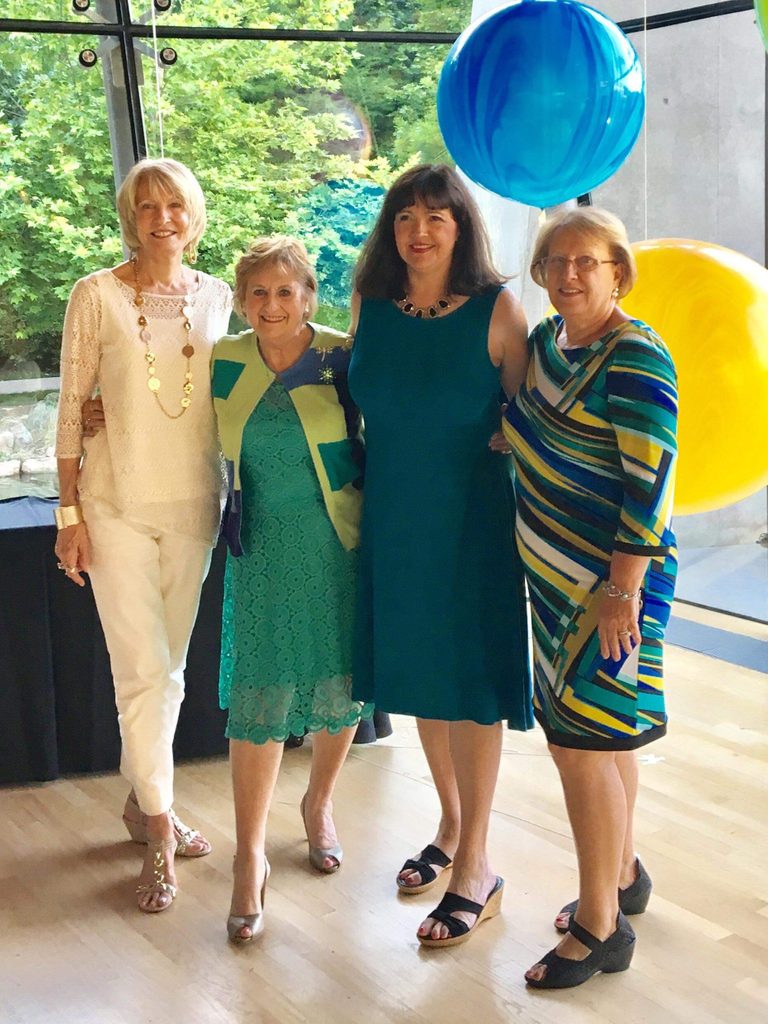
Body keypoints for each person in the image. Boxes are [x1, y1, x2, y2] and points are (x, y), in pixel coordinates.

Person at [348, 164, 533, 948]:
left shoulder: (498, 311)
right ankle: (452, 825)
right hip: (395, 521)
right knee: (423, 676)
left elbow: (531, 422)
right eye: (405, 218)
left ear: (462, 227)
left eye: (437, 217)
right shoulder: (369, 307)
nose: (419, 231)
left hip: (471, 524)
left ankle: (478, 866)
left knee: (472, 686)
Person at [503, 208, 678, 988]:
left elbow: (652, 486)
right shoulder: (546, 345)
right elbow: (528, 424)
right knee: (603, 738)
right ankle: (625, 871)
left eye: (587, 262)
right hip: (556, 582)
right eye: (555, 262)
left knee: (578, 744)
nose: (569, 275)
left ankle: (599, 924)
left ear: (617, 272)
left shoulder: (636, 355)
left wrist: (620, 591)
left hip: (612, 585)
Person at [54, 158, 232, 913]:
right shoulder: (93, 295)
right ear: (130, 216)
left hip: (197, 506)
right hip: (115, 503)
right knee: (141, 673)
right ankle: (160, 828)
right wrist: (68, 517)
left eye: (175, 204)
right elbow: (70, 409)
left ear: (195, 215)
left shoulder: (222, 297)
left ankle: (139, 801)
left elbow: (240, 389)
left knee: (173, 670)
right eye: (147, 205)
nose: (162, 217)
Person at [212, 236, 373, 945]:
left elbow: (396, 423)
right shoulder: (222, 361)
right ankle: (249, 856)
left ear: (309, 296)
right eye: (258, 293)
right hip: (264, 550)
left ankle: (318, 804)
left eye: (286, 292)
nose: (272, 306)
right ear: (242, 300)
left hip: (341, 543)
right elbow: (173, 424)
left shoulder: (342, 356)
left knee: (341, 687)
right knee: (262, 695)